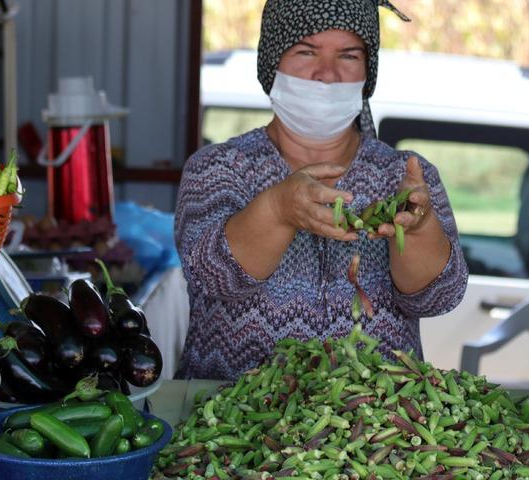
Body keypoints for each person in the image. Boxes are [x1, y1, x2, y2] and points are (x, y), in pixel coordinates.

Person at [174, 0, 467, 380]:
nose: (326, 75)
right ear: (272, 62)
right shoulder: (217, 169)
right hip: (232, 423)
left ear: (367, 71)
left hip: (378, 428)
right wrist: (279, 209)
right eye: (306, 51)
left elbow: (438, 297)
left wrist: (417, 227)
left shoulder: (406, 175)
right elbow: (212, 277)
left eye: (348, 55)